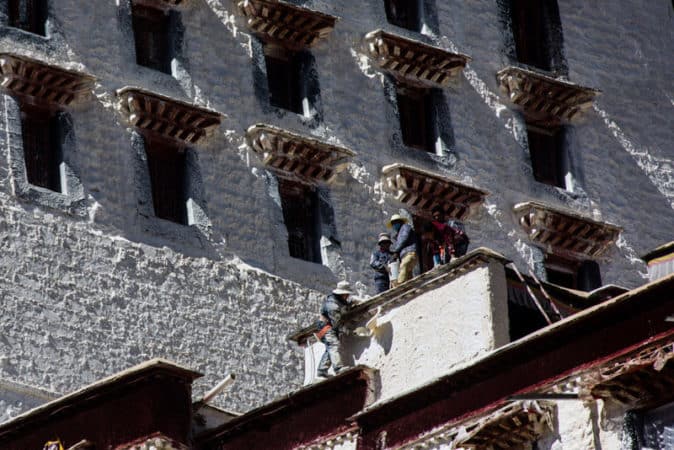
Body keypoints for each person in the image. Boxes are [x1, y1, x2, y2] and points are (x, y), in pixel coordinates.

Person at [316, 280, 353, 377]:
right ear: (342, 294)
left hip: (331, 327)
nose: (347, 296)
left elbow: (348, 304)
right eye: (346, 294)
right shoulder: (332, 305)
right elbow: (337, 322)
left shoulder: (340, 301)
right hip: (326, 327)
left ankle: (322, 370)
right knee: (334, 344)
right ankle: (338, 368)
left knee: (330, 348)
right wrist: (347, 330)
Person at [387, 214, 418, 286]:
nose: (394, 225)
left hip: (410, 253)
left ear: (400, 222)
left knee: (404, 266)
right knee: (408, 274)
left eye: (396, 222)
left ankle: (399, 285)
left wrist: (396, 251)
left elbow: (404, 239)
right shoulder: (398, 234)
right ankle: (410, 287)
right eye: (393, 224)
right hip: (404, 255)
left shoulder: (405, 227)